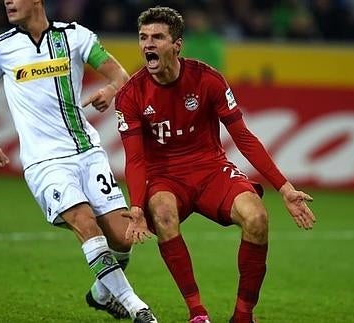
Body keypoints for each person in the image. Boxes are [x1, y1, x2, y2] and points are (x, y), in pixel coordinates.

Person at [115, 6, 317, 323]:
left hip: (210, 170)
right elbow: (136, 159)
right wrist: (137, 207)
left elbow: (243, 137)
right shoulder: (131, 95)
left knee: (257, 218)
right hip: (164, 177)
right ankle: (197, 313)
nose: (148, 44)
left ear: (176, 45)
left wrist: (285, 188)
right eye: (143, 37)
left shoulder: (207, 80)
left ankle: (242, 316)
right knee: (164, 215)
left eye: (157, 37)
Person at [0, 1, 157, 322]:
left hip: (87, 150)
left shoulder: (75, 37)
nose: (7, 2)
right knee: (85, 224)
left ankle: (102, 293)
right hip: (44, 161)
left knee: (123, 236)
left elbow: (121, 76)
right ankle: (137, 308)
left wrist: (111, 89)